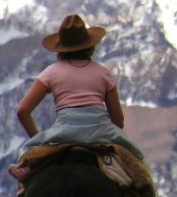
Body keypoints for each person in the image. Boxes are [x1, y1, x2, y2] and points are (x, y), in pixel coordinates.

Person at [15, 14, 143, 159]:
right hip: (101, 131)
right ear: (90, 45)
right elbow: (118, 120)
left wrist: (37, 141)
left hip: (63, 133)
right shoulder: (103, 72)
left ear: (61, 48)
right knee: (136, 162)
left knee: (26, 158)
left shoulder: (50, 73)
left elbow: (22, 111)